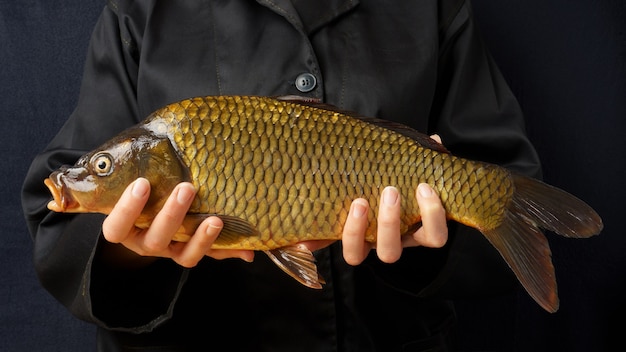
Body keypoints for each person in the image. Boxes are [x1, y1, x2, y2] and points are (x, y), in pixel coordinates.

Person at [21, 0, 541, 351]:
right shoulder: (139, 11)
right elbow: (57, 225)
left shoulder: (432, 7)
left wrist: (429, 247)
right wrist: (128, 252)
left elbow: (501, 171)